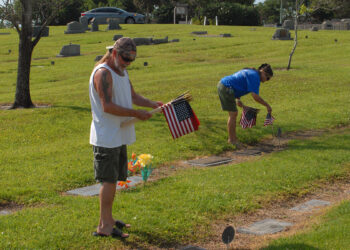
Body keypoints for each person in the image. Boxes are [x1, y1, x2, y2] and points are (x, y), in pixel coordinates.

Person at [89, 37, 162, 238]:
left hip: (118, 133)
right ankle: (104, 227)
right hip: (106, 136)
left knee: (114, 179)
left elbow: (133, 96)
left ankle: (109, 219)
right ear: (114, 53)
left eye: (131, 59)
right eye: (125, 58)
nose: (128, 62)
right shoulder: (103, 73)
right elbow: (107, 106)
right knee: (108, 181)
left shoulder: (121, 71)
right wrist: (137, 113)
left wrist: (152, 104)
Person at [217, 63, 273, 147]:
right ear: (263, 72)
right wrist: (267, 105)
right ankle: (232, 140)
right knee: (233, 114)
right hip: (227, 87)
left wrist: (238, 99)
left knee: (233, 114)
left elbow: (239, 81)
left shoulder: (251, 72)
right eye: (267, 78)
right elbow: (255, 97)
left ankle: (233, 139)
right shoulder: (255, 77)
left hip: (224, 85)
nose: (266, 81)